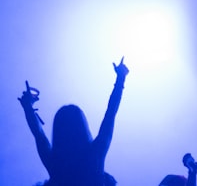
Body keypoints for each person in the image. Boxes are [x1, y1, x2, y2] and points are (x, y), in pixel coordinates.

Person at [18, 58, 129, 186]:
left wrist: (28, 108)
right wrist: (120, 79)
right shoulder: (95, 155)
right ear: (82, 127)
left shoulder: (55, 163)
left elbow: (38, 133)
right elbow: (110, 114)